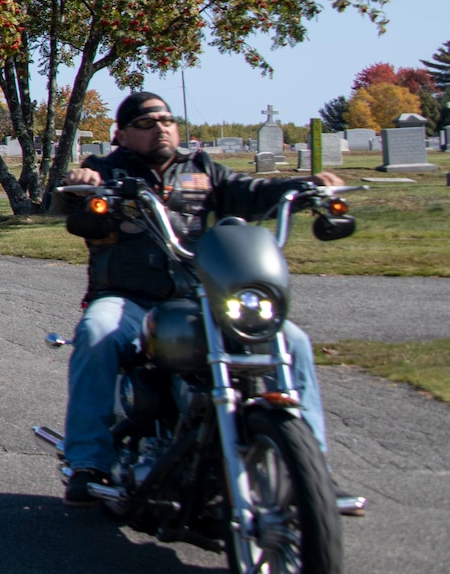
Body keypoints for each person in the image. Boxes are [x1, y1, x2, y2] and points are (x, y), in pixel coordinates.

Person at [55, 90, 341, 508]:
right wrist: (84, 188)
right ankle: (87, 462)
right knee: (97, 333)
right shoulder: (107, 170)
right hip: (128, 298)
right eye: (146, 123)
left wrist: (306, 187)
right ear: (121, 134)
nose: (160, 128)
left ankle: (311, 471)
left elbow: (253, 191)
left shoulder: (203, 168)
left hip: (200, 298)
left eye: (166, 120)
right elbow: (75, 208)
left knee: (291, 340)